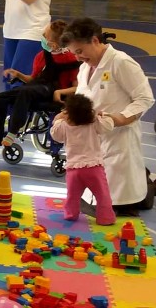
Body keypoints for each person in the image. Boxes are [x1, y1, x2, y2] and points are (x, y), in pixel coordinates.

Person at [60, 17, 156, 217]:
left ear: (95, 40)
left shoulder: (121, 62)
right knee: (94, 200)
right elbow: (83, 98)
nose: (77, 57)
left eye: (80, 51)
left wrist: (119, 118)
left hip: (120, 138)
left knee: (121, 204)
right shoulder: (84, 68)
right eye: (74, 53)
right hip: (93, 141)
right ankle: (145, 179)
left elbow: (145, 98)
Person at [0, 20, 80, 157]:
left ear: (53, 44)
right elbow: (33, 79)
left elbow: (77, 88)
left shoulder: (71, 59)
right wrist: (18, 74)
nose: (42, 37)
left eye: (44, 35)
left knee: (25, 92)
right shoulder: (41, 56)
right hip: (36, 87)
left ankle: (13, 131)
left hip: (52, 90)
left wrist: (60, 92)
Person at [50, 94, 116, 226]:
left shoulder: (64, 125)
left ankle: (70, 214)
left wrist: (58, 118)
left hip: (73, 169)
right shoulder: (94, 123)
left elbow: (55, 135)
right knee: (102, 195)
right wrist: (101, 114)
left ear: (68, 112)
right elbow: (109, 125)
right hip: (93, 168)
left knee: (72, 196)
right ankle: (106, 218)